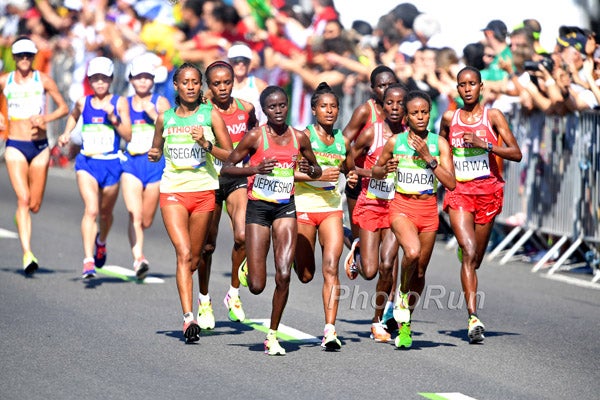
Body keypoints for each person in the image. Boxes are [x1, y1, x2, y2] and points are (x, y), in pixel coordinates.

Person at [220, 86, 322, 356]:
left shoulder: (300, 137)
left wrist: (310, 169)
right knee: (256, 286)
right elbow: (226, 169)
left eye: (282, 106)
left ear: (287, 106)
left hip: (285, 208)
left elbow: (316, 169)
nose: (278, 111)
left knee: (284, 274)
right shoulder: (255, 137)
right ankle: (246, 269)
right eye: (272, 107)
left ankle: (272, 335)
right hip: (258, 209)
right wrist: (254, 169)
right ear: (264, 111)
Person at [147, 62, 232, 343]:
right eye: (185, 82)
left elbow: (229, 155)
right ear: (176, 86)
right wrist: (155, 152)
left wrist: (206, 145)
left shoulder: (211, 115)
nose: (191, 86)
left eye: (196, 82)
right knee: (183, 253)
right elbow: (157, 146)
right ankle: (188, 319)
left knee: (194, 259)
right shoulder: (165, 118)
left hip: (205, 191)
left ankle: (199, 298)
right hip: (173, 191)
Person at [439, 66, 522, 343]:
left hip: (487, 192)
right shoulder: (450, 117)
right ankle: (473, 317)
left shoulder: (493, 116)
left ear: (481, 86)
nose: (467, 89)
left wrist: (486, 145)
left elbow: (516, 153)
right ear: (457, 88)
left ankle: (467, 259)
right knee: (469, 249)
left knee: (476, 260)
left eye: (472, 84)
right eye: (462, 84)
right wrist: (443, 175)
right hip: (460, 192)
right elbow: (442, 147)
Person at [372, 90, 455, 348]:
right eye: (415, 113)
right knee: (411, 252)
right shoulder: (395, 142)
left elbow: (451, 183)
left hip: (428, 210)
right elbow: (376, 169)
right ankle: (402, 295)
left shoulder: (439, 144)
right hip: (401, 207)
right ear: (406, 117)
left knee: (419, 271)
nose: (420, 117)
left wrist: (429, 160)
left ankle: (405, 323)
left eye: (424, 112)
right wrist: (384, 169)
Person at [293, 82, 358, 351]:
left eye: (333, 107)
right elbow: (287, 172)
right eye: (324, 106)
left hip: (331, 209)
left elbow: (350, 172)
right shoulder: (302, 137)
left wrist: (350, 175)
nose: (329, 111)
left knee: (330, 268)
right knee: (305, 274)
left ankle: (330, 330)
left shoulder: (343, 141)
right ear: (313, 110)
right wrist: (315, 175)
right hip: (303, 206)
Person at [344, 83, 408, 343]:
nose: (394, 107)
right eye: (390, 103)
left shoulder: (411, 135)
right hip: (371, 203)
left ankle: (378, 320)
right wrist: (366, 174)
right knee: (369, 271)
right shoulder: (373, 133)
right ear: (383, 104)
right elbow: (349, 159)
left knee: (387, 264)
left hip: (397, 207)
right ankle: (355, 245)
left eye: (399, 103)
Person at [58, 56, 132, 279]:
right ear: (90, 80)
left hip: (111, 164)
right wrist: (66, 134)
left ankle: (101, 241)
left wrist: (114, 118)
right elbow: (72, 117)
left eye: (104, 79)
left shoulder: (119, 103)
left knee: (106, 213)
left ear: (111, 79)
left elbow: (128, 135)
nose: (99, 83)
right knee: (91, 210)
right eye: (95, 79)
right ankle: (88, 260)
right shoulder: (83, 102)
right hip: (87, 162)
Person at [0, 37, 69, 275]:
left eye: (29, 55)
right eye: (20, 56)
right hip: (15, 145)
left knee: (34, 204)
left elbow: (63, 107)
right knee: (23, 198)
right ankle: (27, 253)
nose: (25, 60)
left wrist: (46, 119)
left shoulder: (43, 80)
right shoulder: (5, 80)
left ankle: (23, 219)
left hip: (40, 147)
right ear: (14, 58)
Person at [203, 60, 258, 323]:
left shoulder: (246, 108)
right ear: (209, 86)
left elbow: (256, 134)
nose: (223, 88)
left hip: (236, 178)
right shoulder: (203, 111)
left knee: (242, 235)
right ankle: (204, 300)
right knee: (208, 245)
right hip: (210, 179)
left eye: (227, 82)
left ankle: (233, 293)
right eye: (216, 84)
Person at [120, 55, 171, 280]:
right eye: (138, 77)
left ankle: (139, 248)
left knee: (147, 219)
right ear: (131, 79)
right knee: (135, 214)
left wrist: (155, 117)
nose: (142, 81)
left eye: (147, 77)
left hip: (155, 164)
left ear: (153, 80)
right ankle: (138, 258)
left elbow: (172, 131)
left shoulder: (160, 102)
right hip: (131, 161)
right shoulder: (124, 103)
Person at [227, 43, 268, 124]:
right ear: (230, 62)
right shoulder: (224, 87)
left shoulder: (260, 85)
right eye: (236, 61)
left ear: (249, 63)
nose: (241, 64)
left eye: (245, 61)